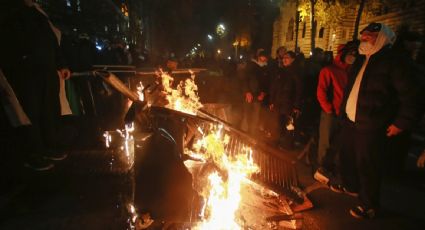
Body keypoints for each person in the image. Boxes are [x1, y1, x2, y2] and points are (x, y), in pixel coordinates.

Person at [335, 22, 423, 219]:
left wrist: (401, 123)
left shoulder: (395, 61)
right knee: (347, 155)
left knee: (368, 165)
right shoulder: (361, 59)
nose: (364, 38)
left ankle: (369, 204)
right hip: (351, 120)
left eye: (370, 36)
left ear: (382, 38)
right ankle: (352, 186)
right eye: (364, 35)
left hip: (372, 124)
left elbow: (412, 96)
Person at [0, 0, 70, 171]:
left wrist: (61, 64)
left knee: (48, 110)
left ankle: (48, 146)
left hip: (46, 71)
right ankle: (34, 153)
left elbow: (52, 42)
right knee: (30, 113)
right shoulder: (10, 12)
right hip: (27, 73)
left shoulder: (39, 15)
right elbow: (8, 44)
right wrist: (22, 61)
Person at [314, 41, 358, 182]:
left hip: (345, 114)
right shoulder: (329, 70)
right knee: (326, 141)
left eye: (355, 54)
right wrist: (328, 109)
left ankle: (334, 168)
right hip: (331, 113)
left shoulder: (353, 72)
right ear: (343, 54)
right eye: (350, 54)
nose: (352, 56)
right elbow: (321, 91)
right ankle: (322, 168)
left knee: (339, 143)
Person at [269, 51, 303, 149]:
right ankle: (277, 141)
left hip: (289, 104)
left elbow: (299, 90)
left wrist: (297, 106)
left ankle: (287, 145)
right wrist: (272, 101)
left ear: (293, 59)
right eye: (283, 57)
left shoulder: (296, 72)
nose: (284, 59)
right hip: (278, 103)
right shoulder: (280, 71)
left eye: (287, 57)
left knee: (289, 125)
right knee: (277, 123)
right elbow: (274, 87)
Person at [242, 49, 270, 136]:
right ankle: (243, 134)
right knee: (247, 115)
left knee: (255, 116)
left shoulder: (266, 68)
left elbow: (266, 83)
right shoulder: (251, 65)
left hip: (258, 96)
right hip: (249, 95)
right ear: (258, 58)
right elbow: (245, 79)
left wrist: (263, 93)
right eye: (262, 59)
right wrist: (247, 92)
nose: (263, 61)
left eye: (265, 60)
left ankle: (252, 135)